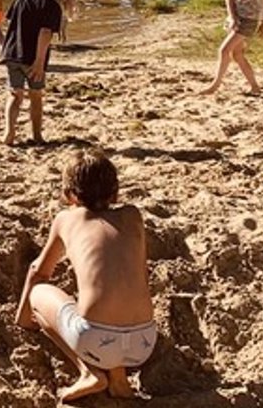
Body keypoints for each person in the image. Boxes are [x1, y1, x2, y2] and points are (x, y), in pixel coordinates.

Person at [18, 150, 157, 403]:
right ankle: (119, 379)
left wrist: (24, 319)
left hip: (95, 341)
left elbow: (38, 272)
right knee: (114, 297)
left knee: (40, 292)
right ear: (116, 193)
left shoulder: (66, 219)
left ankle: (89, 372)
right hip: (144, 342)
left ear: (69, 195)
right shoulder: (133, 216)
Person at [2, 0, 79, 146]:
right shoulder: (51, 5)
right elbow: (45, 33)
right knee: (35, 95)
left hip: (12, 52)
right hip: (32, 56)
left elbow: (9, 23)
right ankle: (37, 135)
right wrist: (39, 62)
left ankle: (9, 132)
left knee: (15, 94)